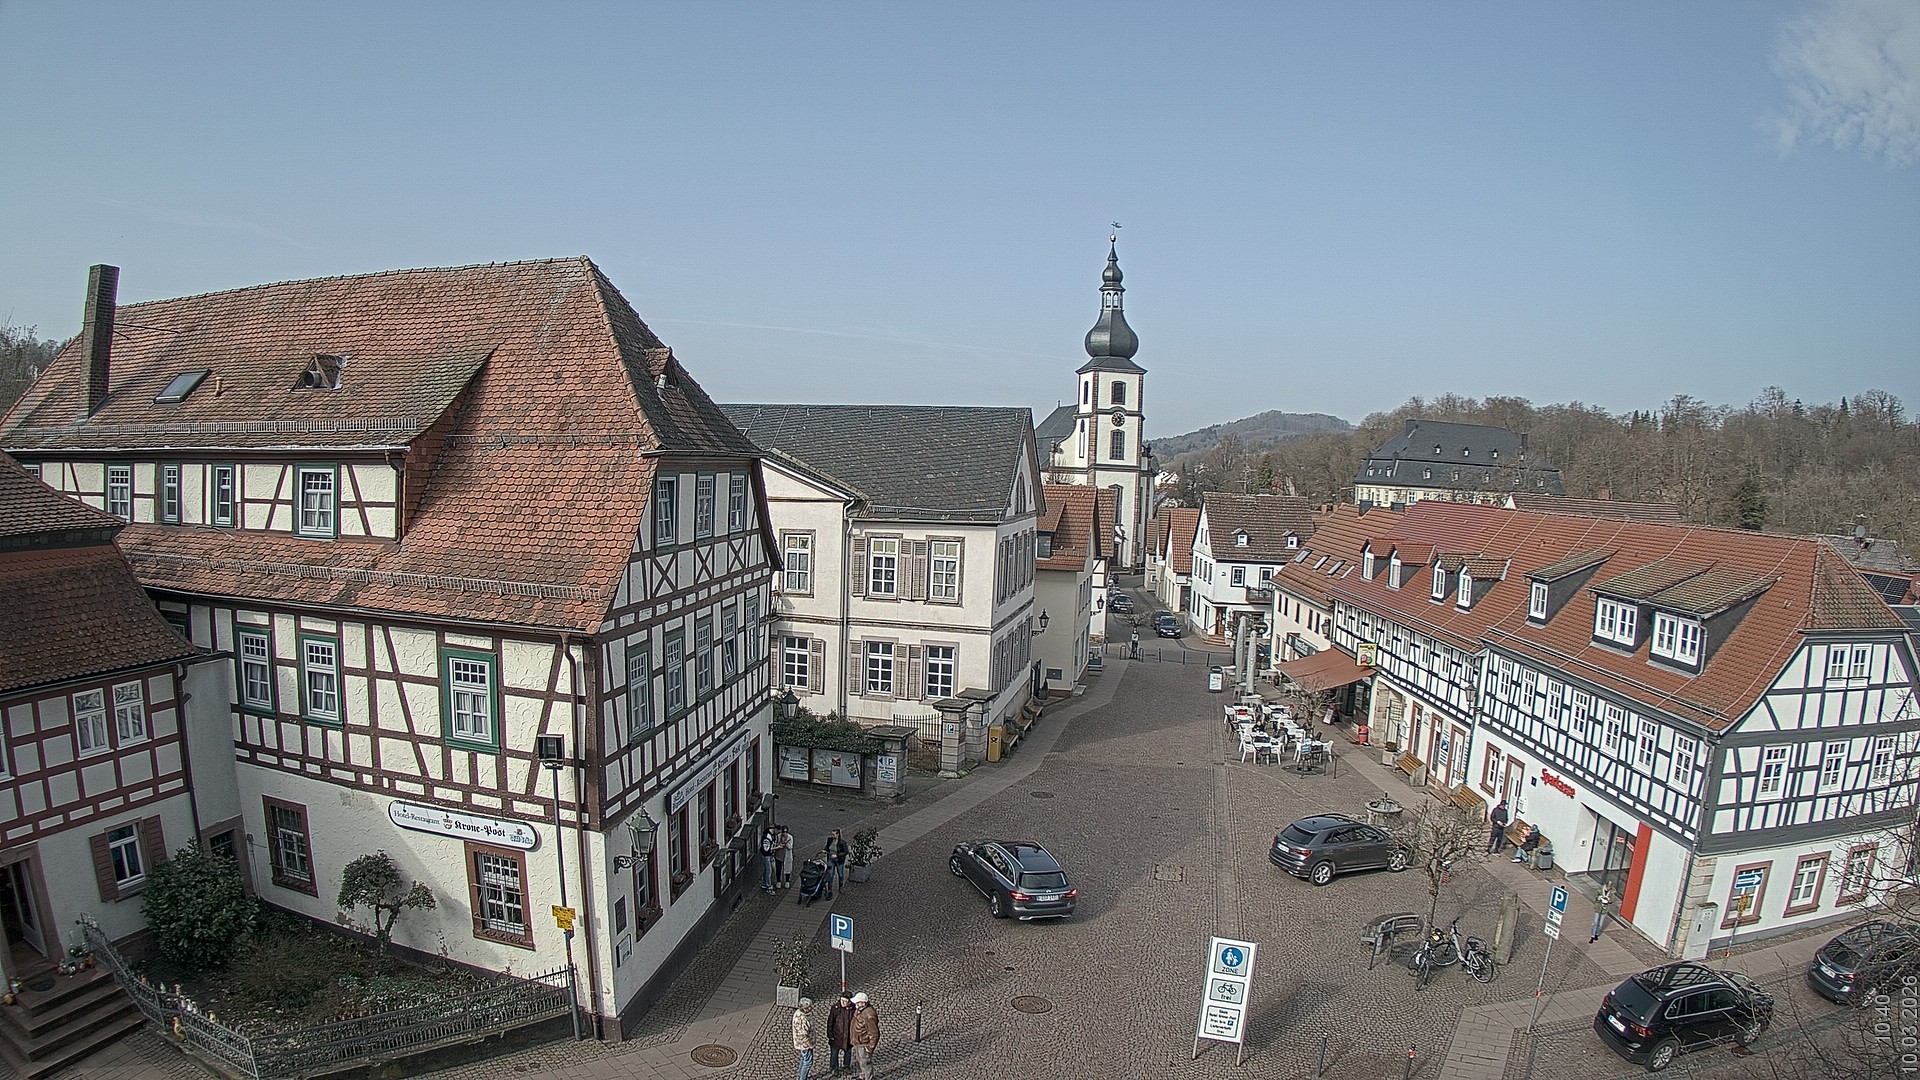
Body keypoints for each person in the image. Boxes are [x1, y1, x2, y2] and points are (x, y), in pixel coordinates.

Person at [848, 991, 880, 1080]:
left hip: (864, 1043)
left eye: (857, 1003)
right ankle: (863, 1075)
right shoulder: (860, 1010)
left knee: (865, 1062)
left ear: (863, 1003)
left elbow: (874, 1033)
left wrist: (870, 1047)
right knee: (860, 1060)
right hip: (859, 1042)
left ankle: (868, 1078)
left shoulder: (869, 1015)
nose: (855, 1005)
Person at [827, 994, 854, 1075]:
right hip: (836, 1035)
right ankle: (834, 1067)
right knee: (834, 1053)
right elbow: (830, 1022)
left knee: (848, 1052)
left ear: (849, 1002)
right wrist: (830, 1035)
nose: (842, 1002)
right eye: (841, 1000)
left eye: (845, 1001)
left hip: (848, 1036)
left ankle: (846, 1065)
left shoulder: (852, 1009)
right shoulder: (835, 1008)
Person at [792, 997, 815, 1080]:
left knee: (804, 1059)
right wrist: (810, 1045)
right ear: (805, 1008)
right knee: (808, 1062)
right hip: (805, 1044)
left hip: (802, 1043)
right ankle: (803, 1078)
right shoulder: (802, 1019)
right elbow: (803, 1035)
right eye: (809, 1007)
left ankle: (801, 1075)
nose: (811, 1008)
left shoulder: (800, 1013)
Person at [823, 830, 850, 895]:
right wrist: (825, 850)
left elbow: (846, 852)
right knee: (830, 874)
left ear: (838, 835)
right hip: (831, 859)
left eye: (834, 834)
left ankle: (841, 886)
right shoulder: (830, 840)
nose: (832, 836)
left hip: (839, 860)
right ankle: (830, 889)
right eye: (832, 834)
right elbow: (827, 847)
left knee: (840, 874)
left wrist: (837, 855)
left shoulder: (842, 843)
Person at [761, 826, 779, 892]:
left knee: (767, 870)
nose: (777, 833)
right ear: (775, 829)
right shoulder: (767, 837)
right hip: (767, 855)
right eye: (778, 832)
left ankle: (765, 883)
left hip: (770, 855)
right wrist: (777, 848)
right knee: (768, 870)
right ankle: (767, 885)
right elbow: (766, 849)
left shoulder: (772, 835)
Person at [778, 825, 796, 889]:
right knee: (779, 868)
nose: (784, 833)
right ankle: (778, 881)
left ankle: (787, 881)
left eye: (786, 832)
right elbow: (777, 843)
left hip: (787, 855)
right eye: (783, 832)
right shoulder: (778, 836)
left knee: (787, 868)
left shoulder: (790, 837)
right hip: (779, 855)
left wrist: (786, 844)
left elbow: (790, 847)